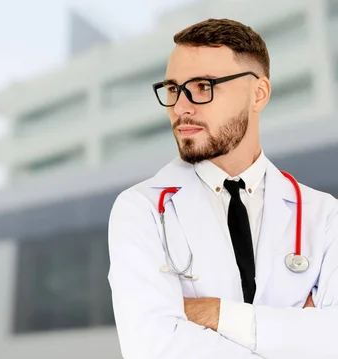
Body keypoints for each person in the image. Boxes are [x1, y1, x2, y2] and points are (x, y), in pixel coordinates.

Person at [107, 18, 338, 359]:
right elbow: (153, 346)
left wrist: (214, 313)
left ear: (258, 94)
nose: (181, 107)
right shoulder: (140, 210)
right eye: (173, 89)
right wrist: (296, 334)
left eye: (203, 86)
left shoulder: (325, 215)